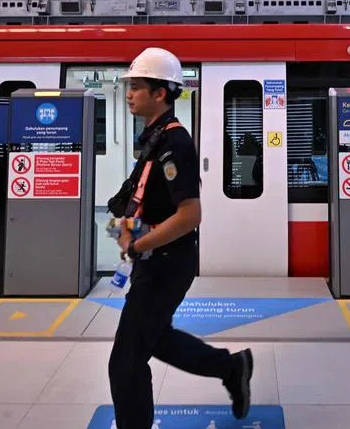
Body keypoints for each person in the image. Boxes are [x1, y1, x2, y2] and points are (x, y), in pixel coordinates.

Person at [108, 47, 253, 429]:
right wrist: (126, 224)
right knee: (154, 339)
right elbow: (140, 197)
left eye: (137, 87)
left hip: (167, 263)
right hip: (154, 260)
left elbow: (190, 216)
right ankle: (231, 367)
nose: (129, 94)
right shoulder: (154, 140)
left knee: (125, 361)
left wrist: (138, 244)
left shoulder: (177, 145)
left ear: (161, 93)